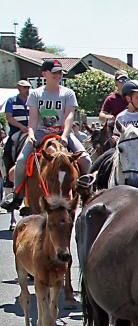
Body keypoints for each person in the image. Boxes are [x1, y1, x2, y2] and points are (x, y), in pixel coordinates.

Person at [3, 59, 91, 212]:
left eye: (60, 72)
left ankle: (85, 193)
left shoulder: (68, 93)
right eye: (54, 72)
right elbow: (33, 118)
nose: (58, 75)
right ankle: (17, 196)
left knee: (85, 159)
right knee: (21, 162)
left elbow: (69, 115)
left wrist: (65, 135)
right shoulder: (36, 94)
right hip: (40, 133)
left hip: (62, 133)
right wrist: (31, 133)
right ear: (44, 73)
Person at [3, 80, 31, 189]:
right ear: (19, 88)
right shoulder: (11, 100)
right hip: (17, 130)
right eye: (25, 88)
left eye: (28, 87)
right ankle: (9, 178)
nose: (27, 90)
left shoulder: (32, 100)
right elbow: (9, 117)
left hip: (32, 129)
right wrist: (21, 127)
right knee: (8, 150)